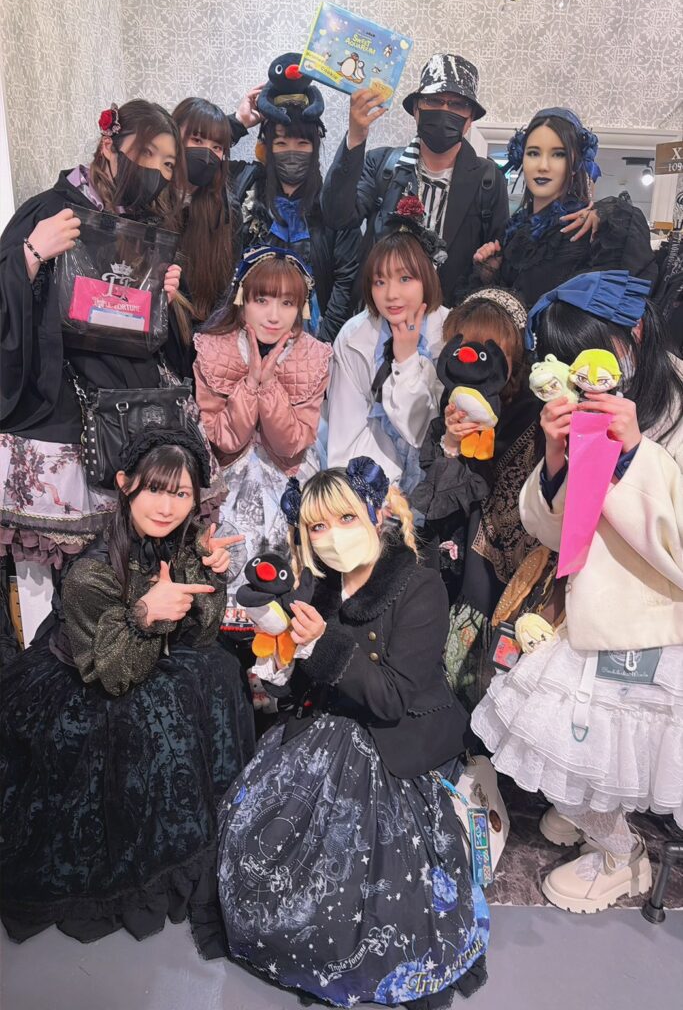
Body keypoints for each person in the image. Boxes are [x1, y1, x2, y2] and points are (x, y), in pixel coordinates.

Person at [217, 457, 489, 1008]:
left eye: (345, 518)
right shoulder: (315, 584)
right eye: (317, 526)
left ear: (375, 513)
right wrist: (281, 662)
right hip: (322, 729)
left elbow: (392, 697)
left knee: (370, 885)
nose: (332, 536)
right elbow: (299, 691)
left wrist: (322, 645)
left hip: (392, 739)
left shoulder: (420, 585)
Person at [471, 270, 683, 912]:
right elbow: (553, 529)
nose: (581, 373)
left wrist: (636, 455)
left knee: (597, 742)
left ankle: (622, 856)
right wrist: (557, 458)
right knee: (566, 741)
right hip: (587, 613)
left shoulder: (672, 409)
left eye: (591, 353)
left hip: (655, 626)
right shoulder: (591, 404)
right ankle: (601, 823)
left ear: (634, 335)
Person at [0, 428, 255, 947]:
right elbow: (114, 675)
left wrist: (208, 574)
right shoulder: (89, 573)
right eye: (154, 488)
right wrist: (144, 614)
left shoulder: (177, 544)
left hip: (148, 658)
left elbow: (201, 636)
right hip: (91, 672)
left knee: (219, 672)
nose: (166, 506)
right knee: (136, 722)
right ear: (125, 483)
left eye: (180, 493)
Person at [0, 100, 197, 574]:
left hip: (137, 402)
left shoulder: (152, 232)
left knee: (137, 562)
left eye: (167, 164)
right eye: (146, 154)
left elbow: (163, 340)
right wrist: (30, 254)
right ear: (109, 144)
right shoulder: (50, 210)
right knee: (58, 573)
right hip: (63, 401)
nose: (155, 171)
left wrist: (169, 300)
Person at [411, 289, 541, 707]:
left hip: (513, 574)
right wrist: (450, 444)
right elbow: (435, 505)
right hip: (455, 566)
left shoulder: (534, 417)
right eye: (464, 344)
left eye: (490, 347)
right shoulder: (449, 414)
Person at [194, 246, 331, 634]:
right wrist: (250, 384)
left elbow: (293, 444)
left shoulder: (313, 357)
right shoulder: (214, 349)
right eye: (262, 300)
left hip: (288, 478)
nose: (274, 315)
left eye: (287, 303)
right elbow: (223, 438)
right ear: (242, 299)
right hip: (225, 481)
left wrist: (269, 386)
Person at [321, 53, 510, 307]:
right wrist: (356, 137)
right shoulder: (382, 165)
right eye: (434, 100)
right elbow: (336, 216)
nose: (444, 110)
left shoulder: (489, 179)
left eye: (457, 105)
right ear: (416, 110)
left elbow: (498, 261)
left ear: (469, 120)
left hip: (448, 320)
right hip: (382, 315)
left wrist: (487, 269)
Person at [229, 52, 360, 343]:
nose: (292, 151)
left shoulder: (333, 205)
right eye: (281, 142)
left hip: (313, 338)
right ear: (267, 147)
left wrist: (322, 343)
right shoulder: (243, 187)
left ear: (315, 147)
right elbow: (195, 165)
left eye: (302, 143)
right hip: (245, 336)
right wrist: (238, 123)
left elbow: (346, 280)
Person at [473, 108, 658, 308]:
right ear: (522, 158)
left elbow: (623, 298)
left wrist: (611, 213)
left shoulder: (591, 230)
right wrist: (492, 273)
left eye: (558, 154)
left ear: (575, 163)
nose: (543, 165)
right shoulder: (513, 232)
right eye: (533, 153)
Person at [326, 200, 449, 489]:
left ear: (427, 277)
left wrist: (406, 359)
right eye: (379, 282)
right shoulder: (355, 336)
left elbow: (423, 431)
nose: (391, 294)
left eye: (405, 278)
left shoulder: (448, 331)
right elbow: (344, 432)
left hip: (435, 478)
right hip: (371, 476)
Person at [172, 98, 242, 331]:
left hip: (203, 330)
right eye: (197, 140)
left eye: (217, 147)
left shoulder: (227, 212)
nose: (207, 154)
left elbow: (227, 289)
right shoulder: (151, 200)